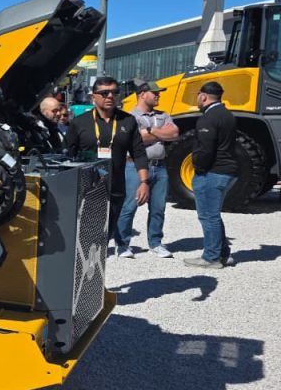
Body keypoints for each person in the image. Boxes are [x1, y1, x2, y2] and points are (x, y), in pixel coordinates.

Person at [64, 76, 150, 256]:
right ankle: (82, 281)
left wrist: (144, 182)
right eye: (104, 93)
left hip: (115, 188)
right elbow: (67, 156)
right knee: (86, 239)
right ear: (93, 96)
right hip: (87, 190)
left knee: (104, 238)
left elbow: (139, 153)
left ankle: (96, 282)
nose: (110, 96)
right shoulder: (80, 123)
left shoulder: (127, 121)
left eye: (114, 92)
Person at [118, 79, 179, 258]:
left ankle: (156, 243)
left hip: (159, 167)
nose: (158, 95)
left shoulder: (163, 115)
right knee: (129, 206)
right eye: (155, 93)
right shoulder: (129, 117)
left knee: (158, 208)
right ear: (142, 94)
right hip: (135, 167)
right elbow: (133, 140)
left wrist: (150, 131)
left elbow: (174, 134)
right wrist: (160, 134)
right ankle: (122, 244)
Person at [185, 81, 238, 269]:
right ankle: (222, 254)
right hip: (226, 170)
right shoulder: (227, 115)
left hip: (213, 172)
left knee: (208, 216)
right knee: (213, 215)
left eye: (198, 95)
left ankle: (211, 257)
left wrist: (198, 169)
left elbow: (206, 149)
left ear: (203, 96)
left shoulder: (208, 118)